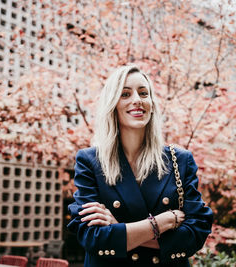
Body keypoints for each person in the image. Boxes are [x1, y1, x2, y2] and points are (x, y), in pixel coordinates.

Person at [67, 65, 213, 266]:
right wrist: (162, 223)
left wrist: (120, 229)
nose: (137, 99)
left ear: (152, 104)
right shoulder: (90, 160)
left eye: (144, 93)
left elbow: (195, 235)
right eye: (125, 94)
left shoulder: (180, 160)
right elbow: (93, 237)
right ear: (112, 104)